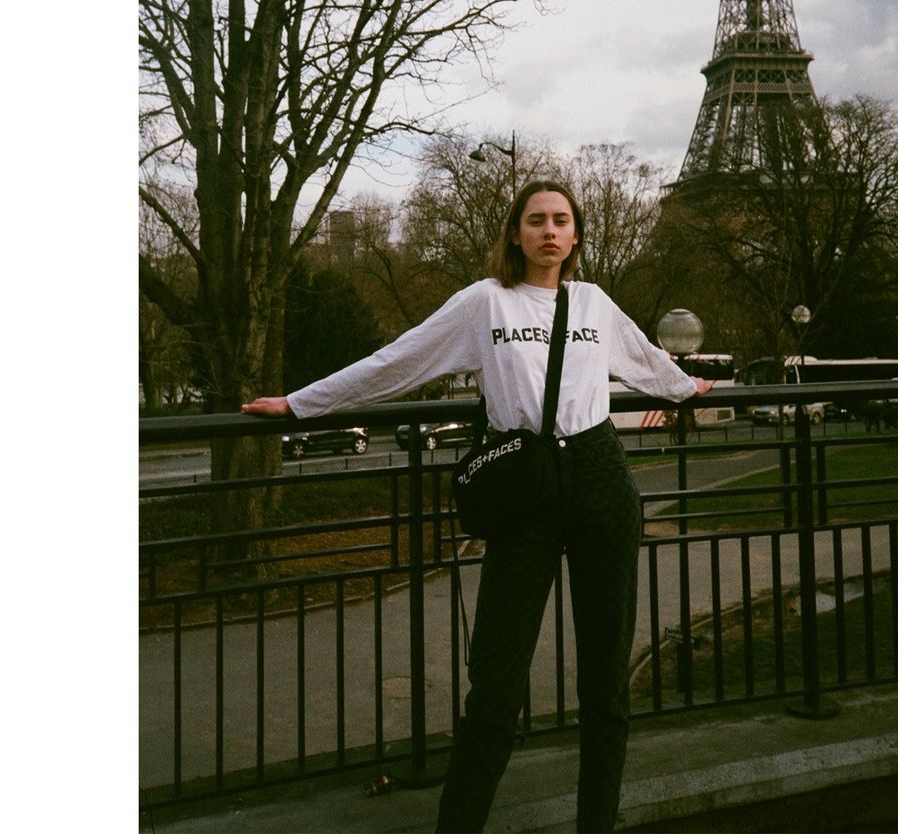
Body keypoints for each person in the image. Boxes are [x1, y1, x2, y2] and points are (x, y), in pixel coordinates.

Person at [244, 180, 712, 833]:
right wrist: (299, 404)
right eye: (536, 220)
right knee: (495, 683)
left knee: (605, 683)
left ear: (575, 235)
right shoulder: (484, 303)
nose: (549, 231)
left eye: (561, 220)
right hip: (525, 488)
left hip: (601, 479)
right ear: (515, 233)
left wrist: (688, 386)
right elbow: (396, 362)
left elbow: (648, 363)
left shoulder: (594, 303)